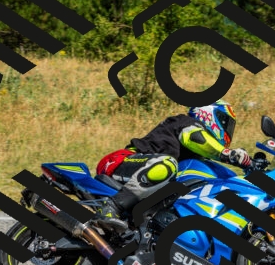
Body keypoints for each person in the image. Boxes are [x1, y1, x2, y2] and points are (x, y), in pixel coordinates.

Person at [92, 99, 252, 231]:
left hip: (141, 179)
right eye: (226, 124)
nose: (228, 131)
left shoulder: (195, 157)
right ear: (211, 115)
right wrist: (228, 154)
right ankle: (111, 207)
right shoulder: (188, 124)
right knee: (168, 164)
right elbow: (195, 138)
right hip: (122, 161)